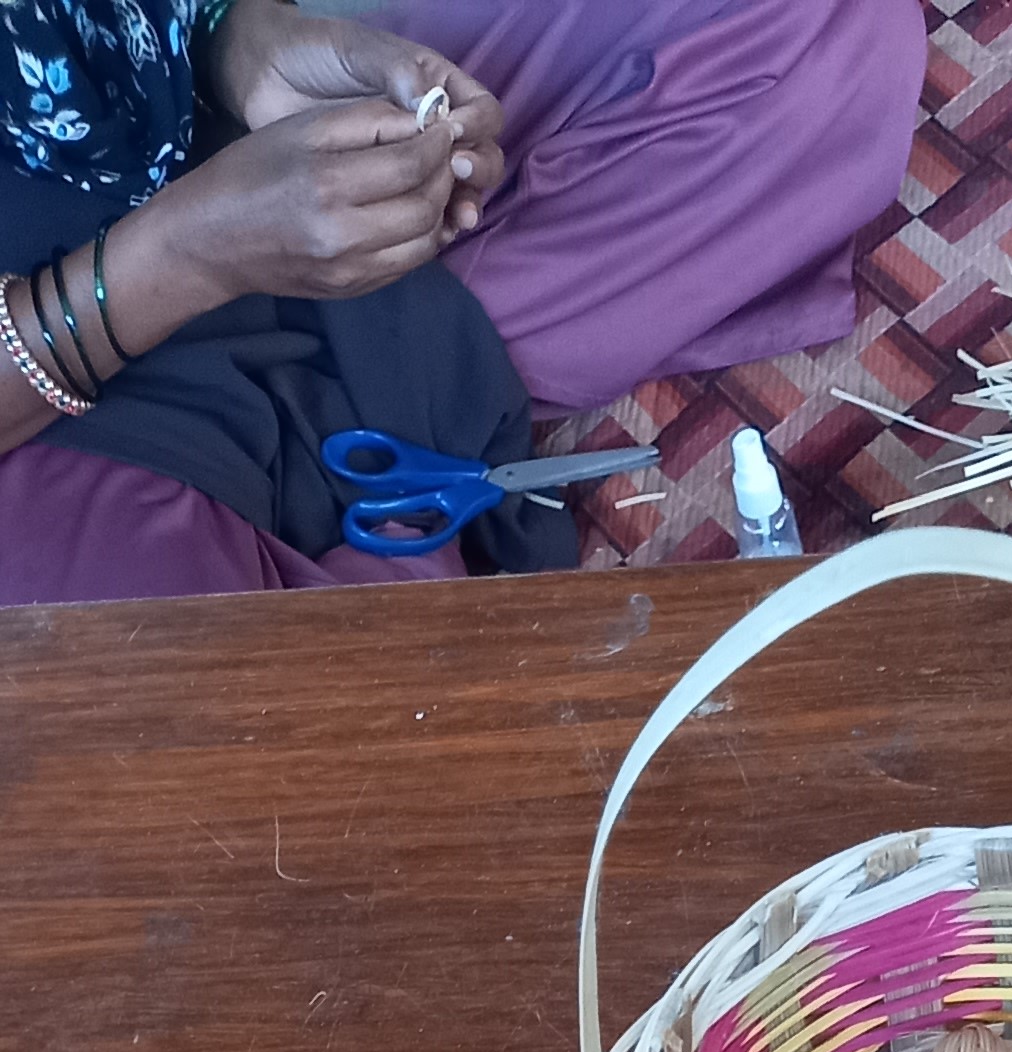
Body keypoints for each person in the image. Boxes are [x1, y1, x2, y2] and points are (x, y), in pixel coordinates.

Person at [0, 0, 925, 603]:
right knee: (178, 747)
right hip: (53, 404)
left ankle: (418, 364)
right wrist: (191, 256)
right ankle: (416, 417)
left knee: (823, 31)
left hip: (186, 149)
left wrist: (242, 46)